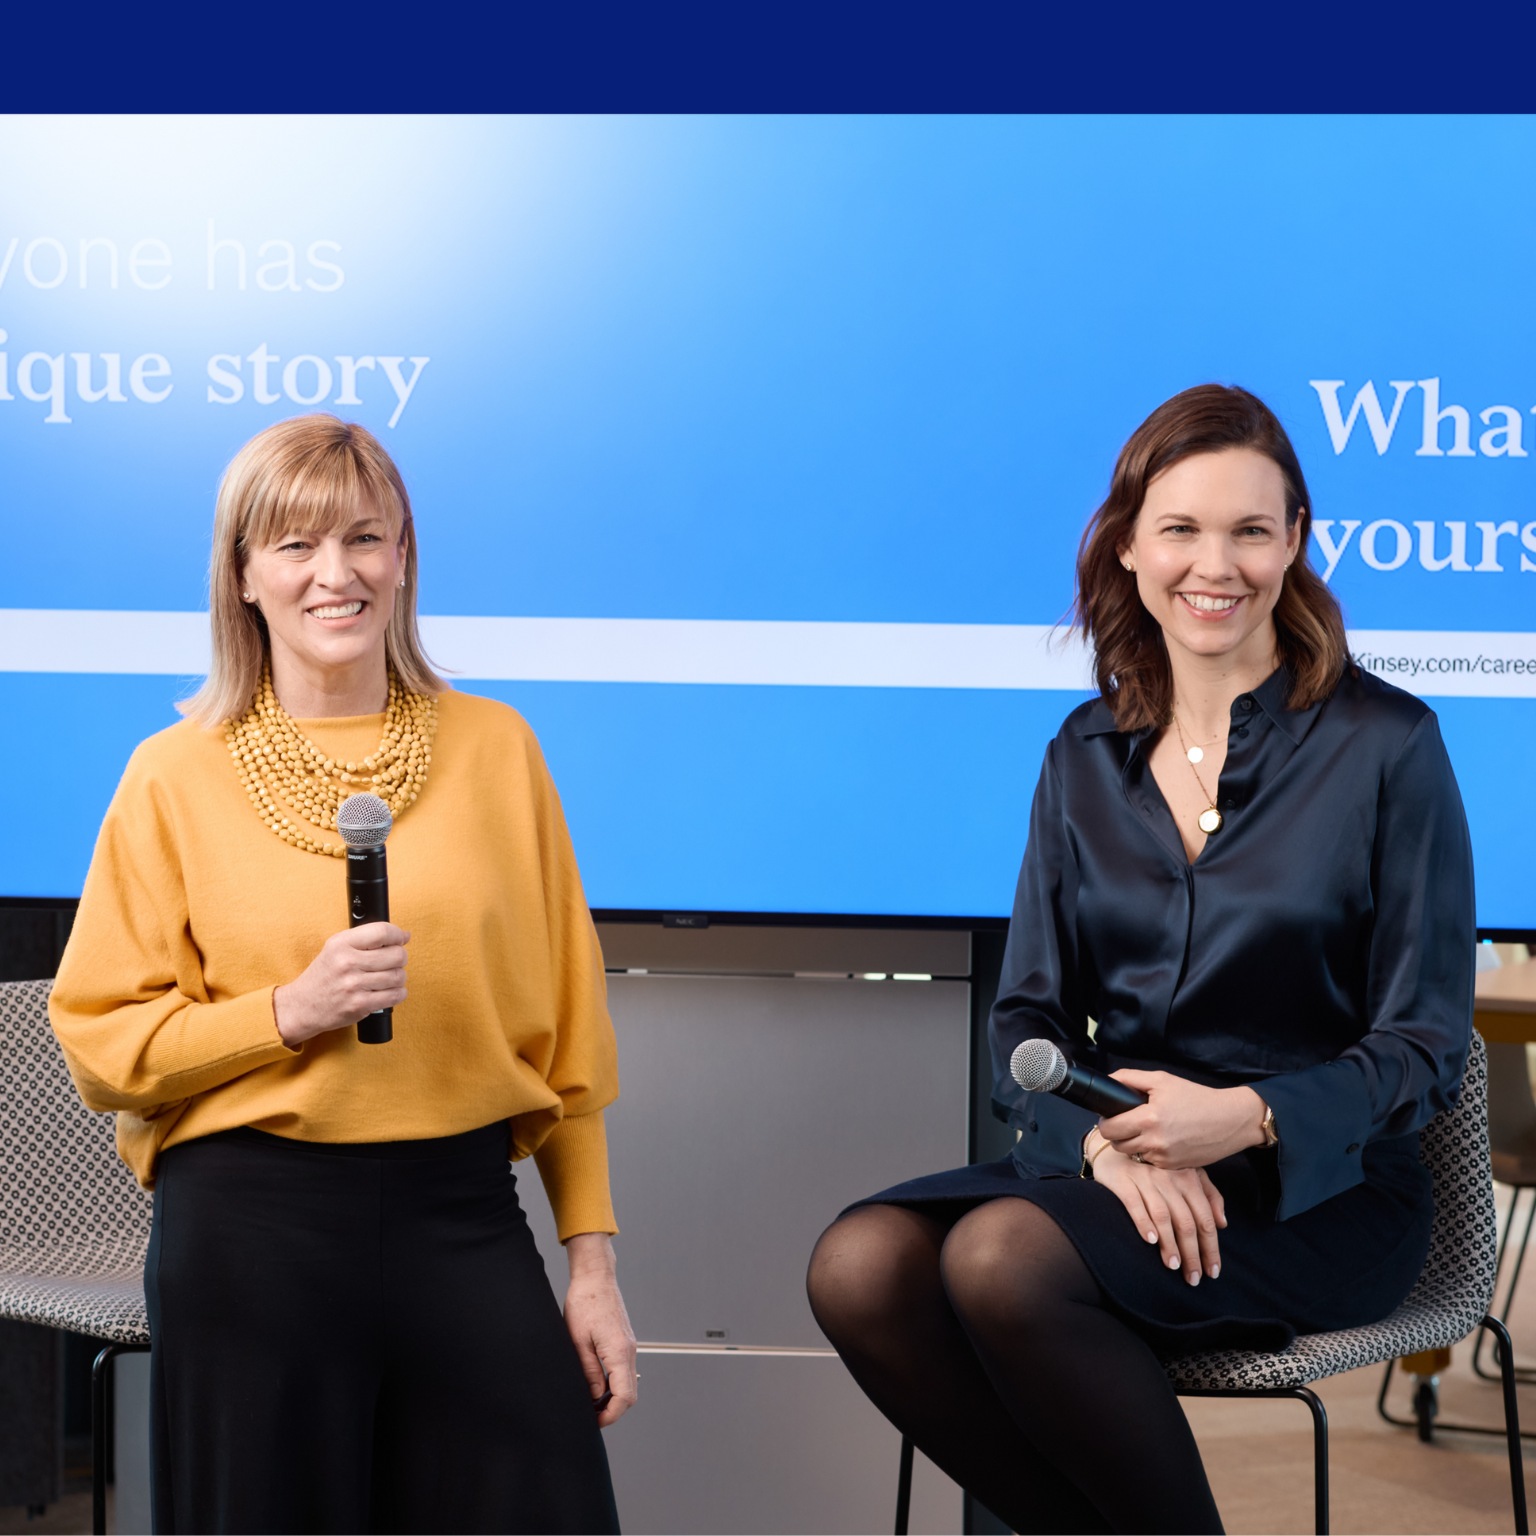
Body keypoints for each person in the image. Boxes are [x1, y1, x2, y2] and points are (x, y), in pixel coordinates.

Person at [805, 384, 1475, 1534]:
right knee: (860, 1264)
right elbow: (1027, 1023)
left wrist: (1247, 1119)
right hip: (1125, 1176)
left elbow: (1423, 1044)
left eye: (1251, 530)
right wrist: (1105, 1154)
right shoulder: (1082, 758)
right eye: (1181, 528)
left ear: (1296, 544)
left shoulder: (1388, 746)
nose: (1215, 565)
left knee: (1002, 1260)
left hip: (1319, 1193)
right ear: (1128, 545)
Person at [49, 415, 635, 1535]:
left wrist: (593, 1265)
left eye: (366, 539)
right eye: (296, 547)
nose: (337, 574)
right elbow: (102, 1042)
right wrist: (287, 1013)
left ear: (404, 558)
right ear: (244, 577)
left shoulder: (498, 748)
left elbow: (570, 1037)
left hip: (461, 1213)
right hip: (250, 1224)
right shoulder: (172, 776)